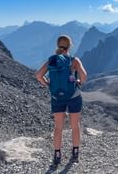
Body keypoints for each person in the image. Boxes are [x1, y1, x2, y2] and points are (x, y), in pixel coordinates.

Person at [35, 35, 87, 165]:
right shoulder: (74, 60)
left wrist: (48, 84)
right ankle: (75, 154)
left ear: (58, 46)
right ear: (69, 46)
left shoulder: (51, 60)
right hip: (73, 96)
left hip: (57, 97)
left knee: (58, 127)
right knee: (75, 126)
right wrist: (78, 81)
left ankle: (57, 155)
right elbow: (84, 76)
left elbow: (38, 75)